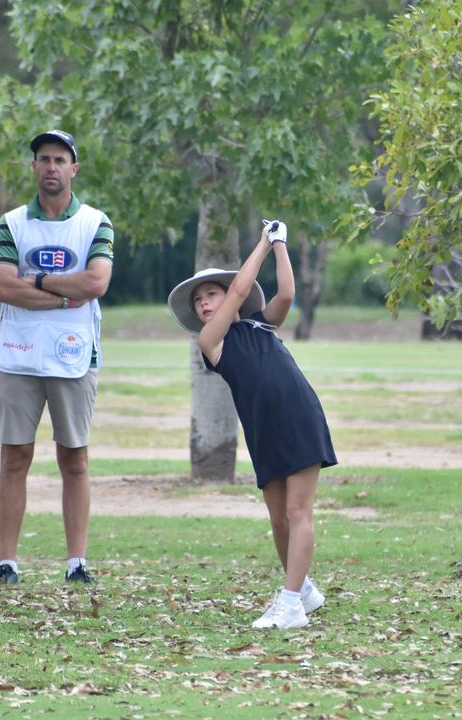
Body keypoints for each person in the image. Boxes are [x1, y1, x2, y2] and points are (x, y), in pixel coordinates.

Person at [166, 220, 337, 628]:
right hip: (263, 428)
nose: (206, 304)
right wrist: (261, 242)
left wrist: (279, 245)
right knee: (278, 517)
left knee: (298, 512)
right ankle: (304, 590)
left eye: (212, 294)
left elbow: (288, 294)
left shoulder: (262, 322)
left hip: (297, 414)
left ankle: (292, 602)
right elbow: (241, 289)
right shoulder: (211, 343)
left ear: (227, 297)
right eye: (200, 302)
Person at [0, 129, 114, 586]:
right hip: (18, 355)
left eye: (60, 159)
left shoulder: (95, 222)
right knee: (14, 456)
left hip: (74, 354)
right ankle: (7, 562)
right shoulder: (12, 223)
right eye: (43, 159)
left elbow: (96, 283)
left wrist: (34, 281)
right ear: (34, 167)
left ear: (74, 168)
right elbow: (1, 286)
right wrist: (63, 293)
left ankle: (76, 561)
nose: (52, 167)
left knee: (74, 458)